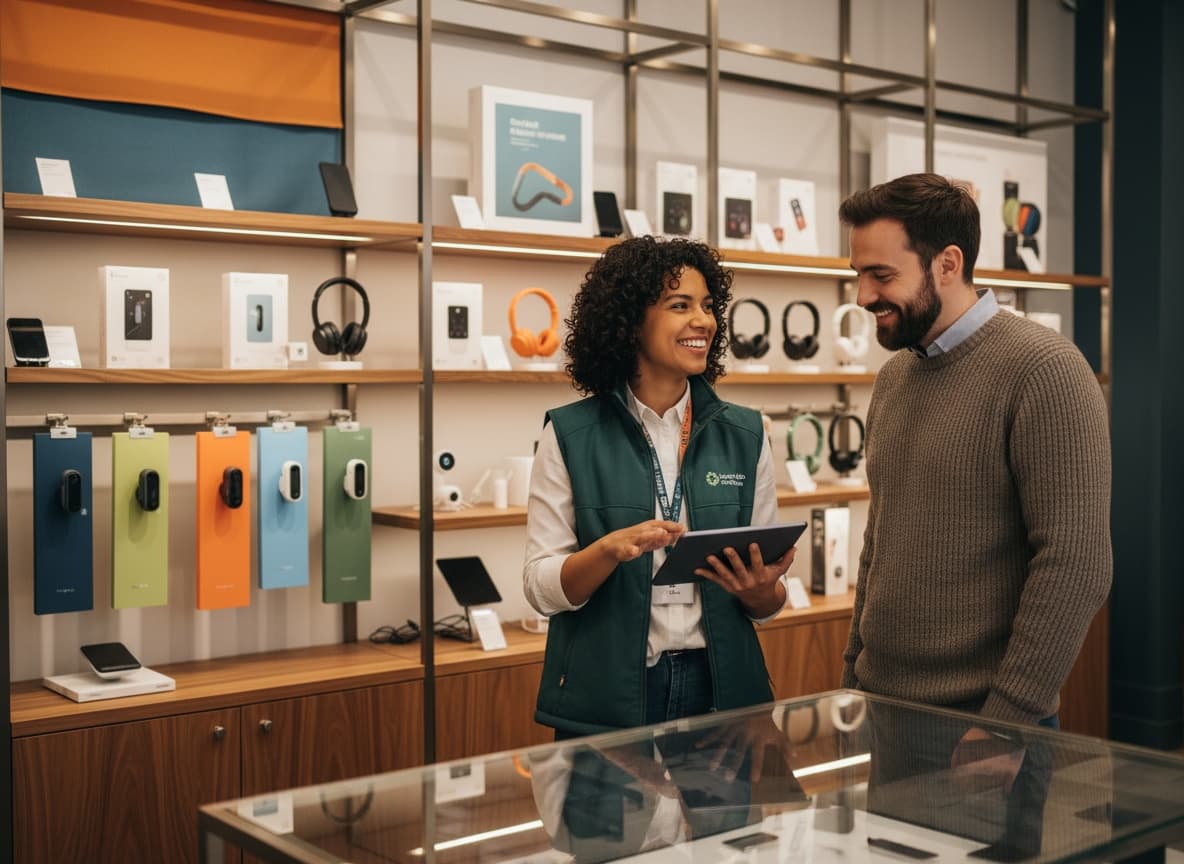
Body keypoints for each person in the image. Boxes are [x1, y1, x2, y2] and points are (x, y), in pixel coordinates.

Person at [838, 173, 1112, 730]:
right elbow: (880, 542)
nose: (864, 296)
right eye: (858, 275)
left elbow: (1076, 562)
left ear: (948, 262)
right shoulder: (893, 378)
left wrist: (1007, 722)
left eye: (881, 275)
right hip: (883, 707)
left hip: (983, 726)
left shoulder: (1046, 371)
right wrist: (852, 677)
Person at [523, 235, 795, 739]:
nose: (703, 321)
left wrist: (763, 593)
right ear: (630, 321)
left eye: (709, 306)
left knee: (728, 823)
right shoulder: (567, 433)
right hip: (609, 696)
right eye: (680, 305)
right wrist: (605, 551)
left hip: (722, 693)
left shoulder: (748, 433)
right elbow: (541, 588)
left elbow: (767, 602)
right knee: (607, 821)